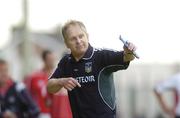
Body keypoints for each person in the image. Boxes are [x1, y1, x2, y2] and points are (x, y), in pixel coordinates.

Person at [47, 20, 137, 118]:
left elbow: (126, 57)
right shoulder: (66, 62)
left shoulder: (101, 56)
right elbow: (49, 87)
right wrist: (61, 82)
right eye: (73, 39)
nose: (78, 41)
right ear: (66, 43)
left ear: (87, 36)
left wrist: (129, 52)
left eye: (81, 36)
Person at [25, 50, 72, 118]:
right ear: (44, 60)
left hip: (57, 113)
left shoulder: (59, 77)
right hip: (41, 113)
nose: (52, 61)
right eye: (49, 59)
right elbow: (28, 95)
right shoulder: (34, 77)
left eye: (53, 59)